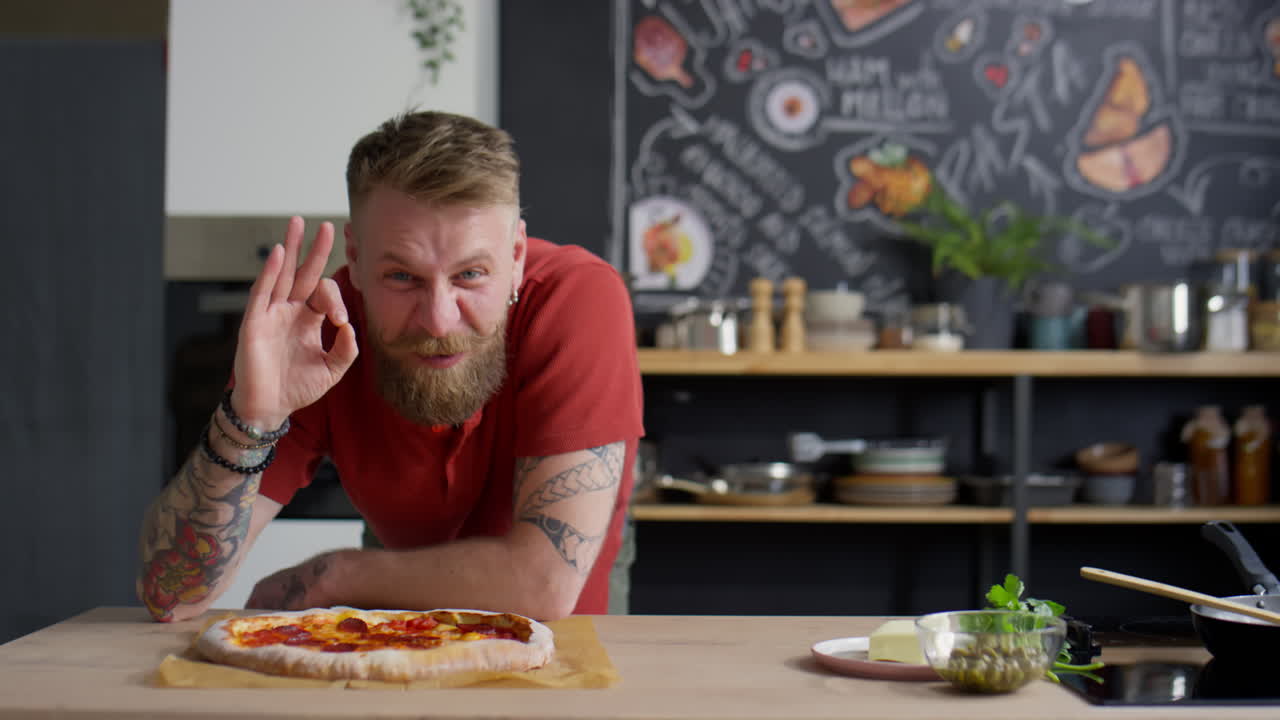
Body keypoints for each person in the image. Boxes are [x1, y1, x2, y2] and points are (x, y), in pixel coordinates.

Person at [137, 110, 645, 623]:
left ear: (515, 257)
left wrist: (337, 576)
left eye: (470, 274)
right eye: (402, 277)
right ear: (355, 260)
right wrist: (248, 419)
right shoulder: (320, 330)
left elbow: (544, 585)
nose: (438, 321)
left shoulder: (578, 298)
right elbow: (171, 595)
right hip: (401, 605)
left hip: (563, 632)